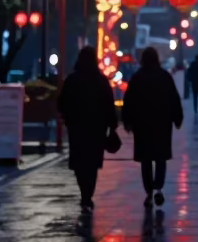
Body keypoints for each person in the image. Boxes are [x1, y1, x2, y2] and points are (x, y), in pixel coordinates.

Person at [58, 46, 120, 211]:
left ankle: (84, 194)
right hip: (96, 128)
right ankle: (88, 195)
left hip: (77, 128)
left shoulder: (72, 80)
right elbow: (109, 104)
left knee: (79, 163)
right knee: (92, 163)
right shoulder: (101, 81)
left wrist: (67, 118)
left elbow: (62, 103)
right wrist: (112, 124)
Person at [122, 47, 184, 208]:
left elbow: (128, 101)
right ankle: (158, 187)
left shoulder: (137, 78)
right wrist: (177, 118)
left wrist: (127, 121)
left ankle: (149, 191)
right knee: (161, 157)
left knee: (146, 159)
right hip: (162, 123)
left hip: (142, 124)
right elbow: (174, 99)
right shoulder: (165, 77)